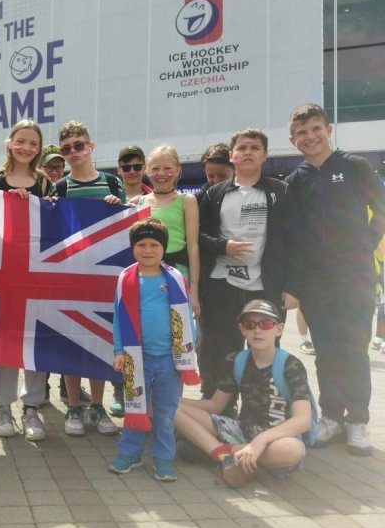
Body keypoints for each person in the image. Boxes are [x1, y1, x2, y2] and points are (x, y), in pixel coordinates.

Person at [282, 103, 385, 456]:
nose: (310, 137)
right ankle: (331, 415)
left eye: (316, 129)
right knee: (325, 351)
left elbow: (381, 205)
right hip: (316, 283)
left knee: (353, 348)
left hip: (355, 277)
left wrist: (366, 244)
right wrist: (295, 282)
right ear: (292, 140)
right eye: (301, 132)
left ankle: (357, 420)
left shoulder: (354, 166)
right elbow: (293, 236)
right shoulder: (294, 182)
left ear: (328, 130)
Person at [174, 299, 313, 488]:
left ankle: (221, 452)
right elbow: (215, 405)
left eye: (265, 324)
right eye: (250, 325)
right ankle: (226, 455)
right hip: (241, 430)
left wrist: (260, 441)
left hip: (276, 439)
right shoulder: (236, 360)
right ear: (242, 330)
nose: (257, 330)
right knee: (171, 408)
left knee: (294, 450)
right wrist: (174, 400)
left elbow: (303, 420)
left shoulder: (292, 365)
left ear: (279, 329)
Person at [197, 128, 287, 401]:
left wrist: (292, 286)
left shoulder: (280, 191)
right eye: (242, 148)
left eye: (255, 148)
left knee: (264, 349)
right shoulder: (214, 194)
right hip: (221, 285)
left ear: (265, 154)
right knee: (219, 349)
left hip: (264, 287)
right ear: (232, 155)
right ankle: (219, 407)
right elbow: (198, 236)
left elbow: (294, 239)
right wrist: (223, 246)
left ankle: (260, 407)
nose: (248, 152)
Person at [109, 218, 198, 482]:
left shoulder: (175, 278)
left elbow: (187, 317)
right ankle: (130, 453)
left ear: (164, 248)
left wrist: (187, 357)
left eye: (154, 245)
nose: (147, 250)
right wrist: (119, 350)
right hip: (137, 357)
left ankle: (163, 458)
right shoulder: (126, 278)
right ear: (133, 248)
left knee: (165, 412)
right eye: (141, 245)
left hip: (170, 360)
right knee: (134, 408)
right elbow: (118, 316)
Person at [0, 119, 55, 442]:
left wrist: (47, 206)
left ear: (39, 149)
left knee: (35, 340)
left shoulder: (45, 182)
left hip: (36, 274)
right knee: (5, 341)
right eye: (20, 141)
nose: (26, 148)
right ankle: (3, 407)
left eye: (33, 143)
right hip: (2, 274)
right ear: (9, 143)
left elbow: (57, 223)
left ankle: (31, 407)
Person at [56, 121, 122, 437]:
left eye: (79, 146)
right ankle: (73, 405)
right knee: (71, 342)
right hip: (70, 277)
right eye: (67, 149)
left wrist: (118, 207)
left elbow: (126, 227)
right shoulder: (60, 188)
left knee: (99, 340)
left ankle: (97, 405)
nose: (74, 152)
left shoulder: (112, 183)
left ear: (90, 147)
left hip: (104, 279)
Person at [135, 146, 200, 317]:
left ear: (178, 170)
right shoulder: (139, 202)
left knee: (179, 325)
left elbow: (193, 246)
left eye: (167, 168)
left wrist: (194, 289)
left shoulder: (187, 200)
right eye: (155, 168)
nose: (161, 173)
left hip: (177, 272)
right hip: (146, 273)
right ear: (147, 170)